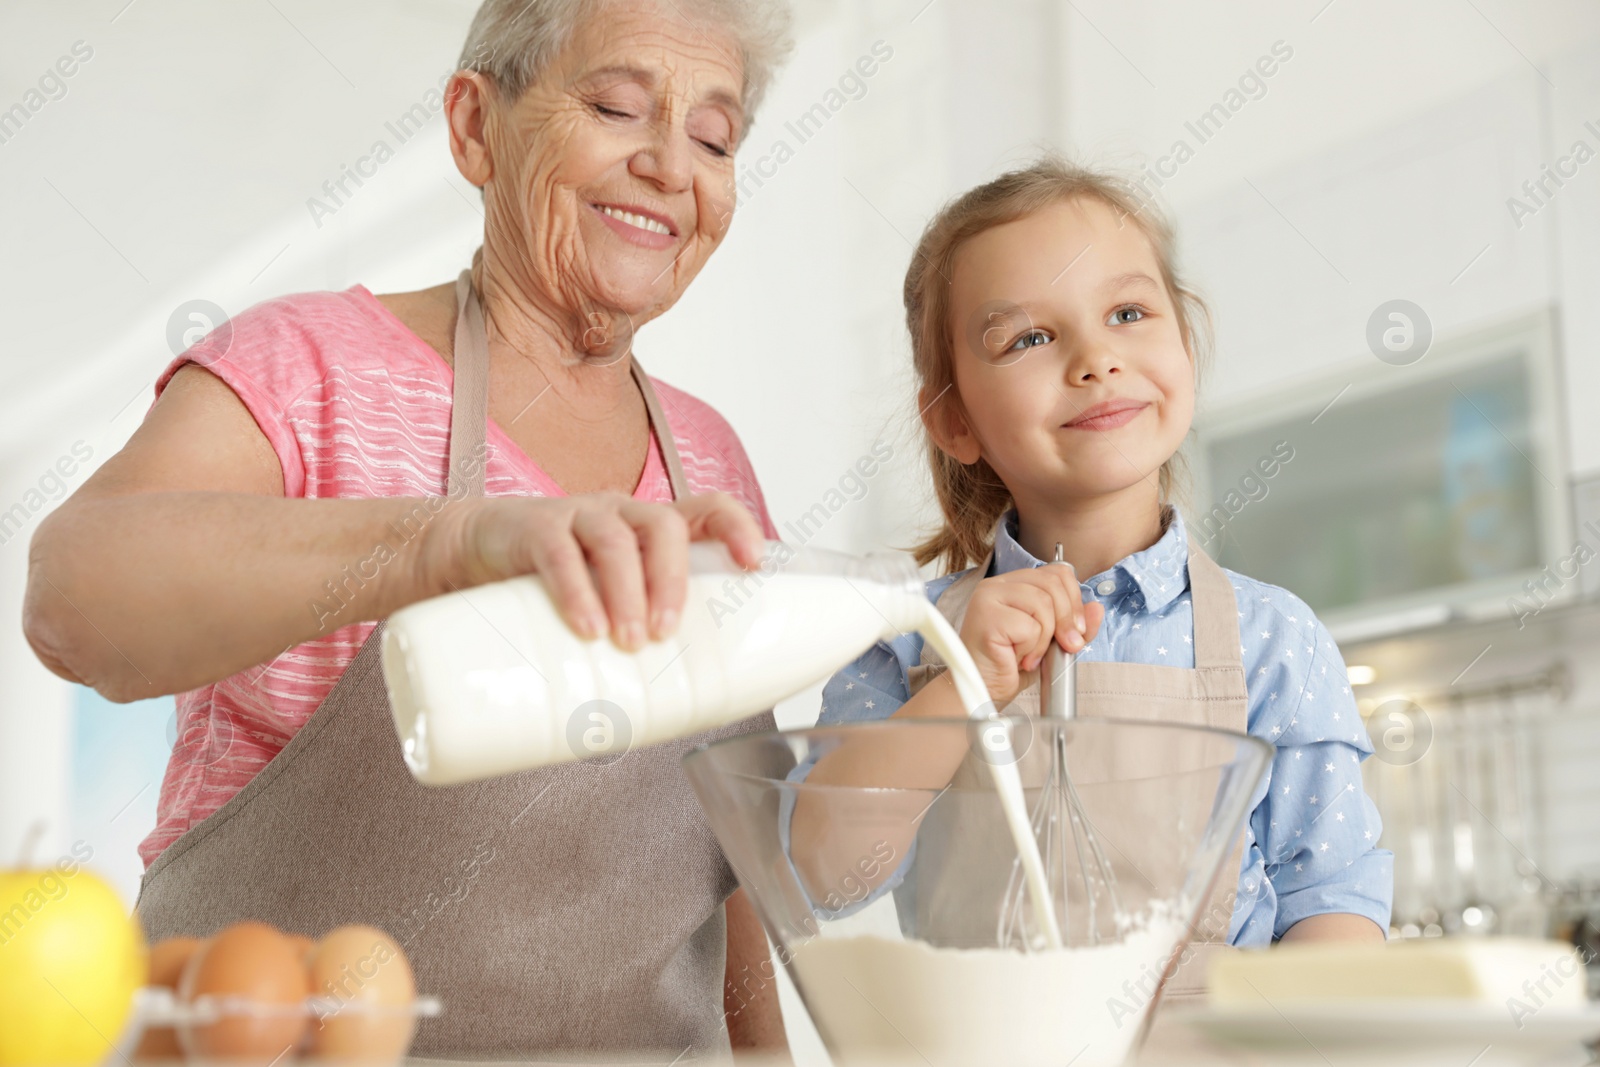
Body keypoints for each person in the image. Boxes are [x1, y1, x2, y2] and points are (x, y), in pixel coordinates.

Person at [23, 0, 795, 1057]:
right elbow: (74, 599)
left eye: (715, 135)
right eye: (618, 106)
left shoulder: (714, 463)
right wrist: (443, 544)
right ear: (476, 126)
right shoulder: (306, 367)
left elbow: (731, 848)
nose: (671, 164)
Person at [789, 156, 1393, 994]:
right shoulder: (907, 642)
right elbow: (823, 872)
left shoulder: (1273, 640)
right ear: (955, 419)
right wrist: (958, 688)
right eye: (1029, 337)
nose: (1095, 357)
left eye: (1128, 311)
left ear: (1184, 341)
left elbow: (1332, 897)